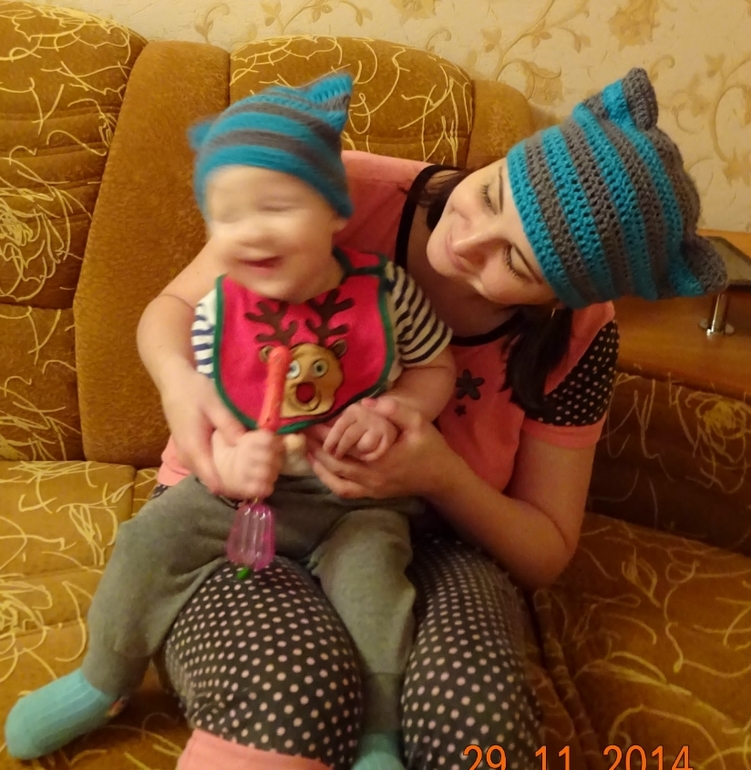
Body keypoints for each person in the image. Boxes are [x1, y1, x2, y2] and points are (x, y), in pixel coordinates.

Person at [155, 67, 726, 770]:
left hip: (430, 539)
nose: (466, 242)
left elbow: (545, 549)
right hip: (245, 502)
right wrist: (181, 390)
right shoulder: (335, 190)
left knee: (477, 723)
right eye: (489, 195)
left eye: (515, 261)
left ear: (562, 300)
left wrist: (440, 475)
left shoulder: (581, 337)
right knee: (292, 693)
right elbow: (172, 310)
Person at [3, 73, 455, 770]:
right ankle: (103, 679)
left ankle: (377, 734)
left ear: (334, 211)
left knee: (378, 593)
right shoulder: (217, 310)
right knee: (146, 543)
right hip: (237, 497)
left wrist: (398, 409)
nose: (251, 232)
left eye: (277, 206)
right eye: (227, 216)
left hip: (356, 501)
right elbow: (212, 408)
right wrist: (230, 456)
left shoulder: (389, 294)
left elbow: (434, 366)